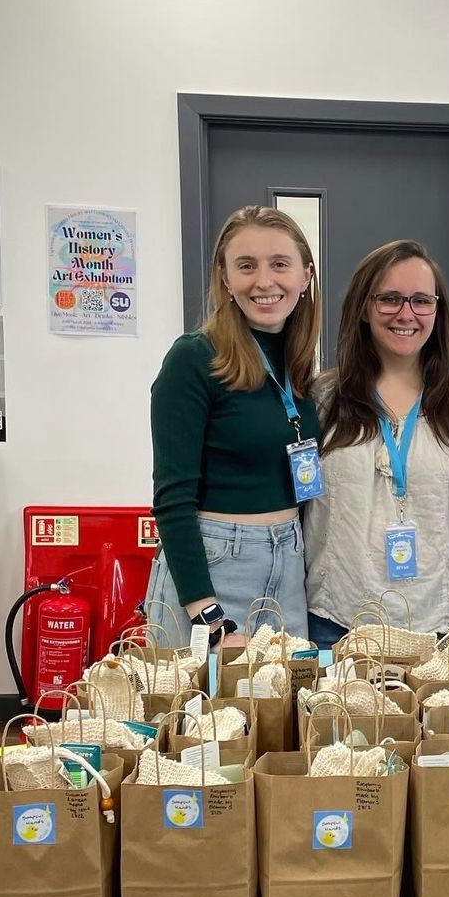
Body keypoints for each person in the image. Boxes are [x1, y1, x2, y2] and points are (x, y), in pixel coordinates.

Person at [303, 239, 449, 646]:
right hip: (332, 624)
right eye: (390, 299)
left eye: (421, 301)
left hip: (436, 632)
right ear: (363, 307)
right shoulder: (321, 401)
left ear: (437, 310)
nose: (406, 314)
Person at [147, 205, 322, 653]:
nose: (264, 281)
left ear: (305, 275)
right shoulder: (194, 358)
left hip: (288, 560)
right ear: (224, 278)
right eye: (246, 266)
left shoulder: (299, 365)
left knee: (279, 719)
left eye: (279, 264)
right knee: (197, 719)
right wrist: (208, 614)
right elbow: (172, 499)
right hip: (215, 565)